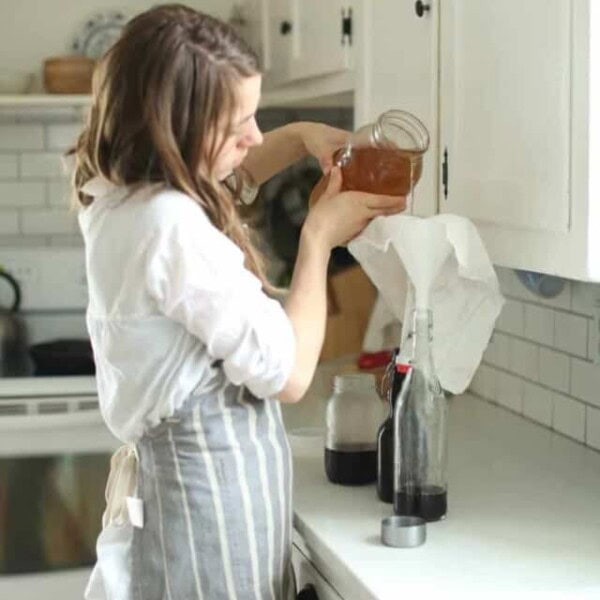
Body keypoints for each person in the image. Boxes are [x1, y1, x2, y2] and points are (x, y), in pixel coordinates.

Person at [72, 4, 406, 600]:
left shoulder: (123, 197)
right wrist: (318, 239)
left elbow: (232, 174)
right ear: (178, 128)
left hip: (195, 512)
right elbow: (291, 371)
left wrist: (302, 137)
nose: (253, 137)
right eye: (238, 123)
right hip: (207, 525)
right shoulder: (169, 224)